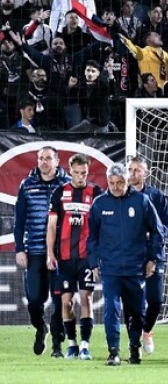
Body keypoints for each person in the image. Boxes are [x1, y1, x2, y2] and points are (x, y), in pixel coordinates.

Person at [87, 163, 165, 366]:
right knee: (111, 310)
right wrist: (93, 262)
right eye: (111, 183)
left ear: (126, 181)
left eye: (120, 183)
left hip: (135, 267)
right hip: (110, 268)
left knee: (137, 312)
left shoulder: (142, 201)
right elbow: (92, 237)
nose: (115, 187)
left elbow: (157, 231)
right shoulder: (99, 204)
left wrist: (152, 259)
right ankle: (113, 351)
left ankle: (134, 347)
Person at [46, 153, 102, 360]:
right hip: (65, 258)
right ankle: (72, 344)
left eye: (84, 173)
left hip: (87, 257)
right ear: (70, 171)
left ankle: (85, 345)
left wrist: (98, 257)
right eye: (76, 173)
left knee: (86, 299)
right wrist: (50, 254)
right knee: (66, 303)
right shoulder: (59, 193)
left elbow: (102, 226)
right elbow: (52, 226)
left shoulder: (96, 193)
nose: (80, 177)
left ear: (88, 171)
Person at [14, 146, 69, 358]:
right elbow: (19, 221)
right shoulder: (27, 185)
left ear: (57, 161)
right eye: (41, 158)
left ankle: (57, 345)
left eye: (48, 158)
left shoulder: (66, 185)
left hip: (61, 252)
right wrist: (20, 249)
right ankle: (40, 327)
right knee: (35, 300)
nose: (44, 162)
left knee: (59, 300)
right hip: (35, 250)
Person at [122, 156, 168, 356]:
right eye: (130, 169)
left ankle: (147, 330)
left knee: (155, 300)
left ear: (146, 173)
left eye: (137, 170)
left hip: (153, 254)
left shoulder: (156, 195)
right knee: (129, 301)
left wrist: (155, 236)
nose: (132, 174)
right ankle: (133, 342)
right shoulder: (121, 195)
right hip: (129, 256)